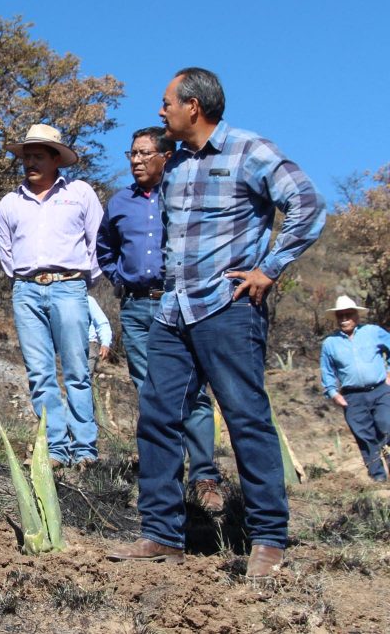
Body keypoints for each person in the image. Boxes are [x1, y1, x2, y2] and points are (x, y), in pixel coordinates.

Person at [107, 68, 326, 578]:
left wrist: (269, 269)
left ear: (194, 106)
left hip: (228, 308)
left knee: (246, 417)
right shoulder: (176, 164)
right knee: (157, 416)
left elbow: (307, 205)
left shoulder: (250, 150)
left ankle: (268, 539)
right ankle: (162, 534)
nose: (161, 111)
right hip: (173, 313)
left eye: (167, 102)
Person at [97, 126, 223, 513]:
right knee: (150, 392)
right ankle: (163, 480)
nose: (136, 161)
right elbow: (105, 248)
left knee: (193, 392)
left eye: (144, 153)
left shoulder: (185, 195)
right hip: (136, 308)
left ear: (166, 157)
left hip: (182, 303)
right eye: (132, 154)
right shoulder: (120, 202)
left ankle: (205, 477)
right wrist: (121, 279)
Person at [0, 124, 103, 469]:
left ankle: (85, 449)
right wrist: (23, 281)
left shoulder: (80, 193)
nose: (30, 162)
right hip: (26, 290)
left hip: (69, 286)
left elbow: (97, 241)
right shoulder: (10, 203)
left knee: (76, 370)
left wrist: (82, 282)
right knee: (39, 373)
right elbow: (6, 252)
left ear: (56, 159)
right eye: (26, 157)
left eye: (38, 156)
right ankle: (56, 448)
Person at [319, 296, 390, 481]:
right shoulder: (330, 343)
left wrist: (389, 374)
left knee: (387, 426)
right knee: (365, 438)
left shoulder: (373, 332)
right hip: (352, 397)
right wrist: (333, 393)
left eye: (348, 315)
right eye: (340, 316)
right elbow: (327, 371)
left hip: (381, 390)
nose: (344, 319)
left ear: (356, 315)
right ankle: (378, 479)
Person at [87, 295, 112, 376]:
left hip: (88, 345)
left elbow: (102, 323)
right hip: (66, 347)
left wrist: (105, 343)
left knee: (83, 379)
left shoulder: (87, 299)